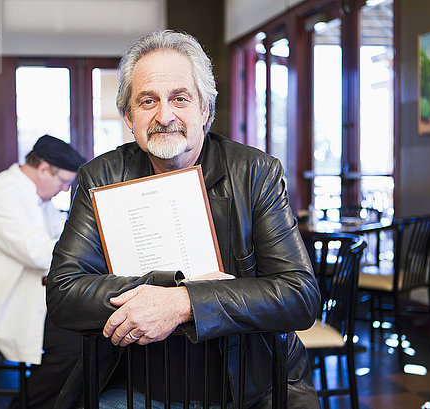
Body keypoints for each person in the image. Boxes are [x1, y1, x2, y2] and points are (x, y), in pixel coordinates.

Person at [46, 30, 321, 409]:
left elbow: (299, 296)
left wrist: (184, 302)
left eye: (180, 98)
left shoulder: (255, 172)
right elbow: (63, 293)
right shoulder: (101, 176)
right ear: (128, 116)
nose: (164, 115)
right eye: (147, 101)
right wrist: (163, 291)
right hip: (135, 382)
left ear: (204, 109)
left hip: (247, 385)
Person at [0, 134, 86, 409]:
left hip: (16, 291)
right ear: (43, 169)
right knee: (74, 343)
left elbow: (61, 239)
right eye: (63, 182)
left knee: (84, 331)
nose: (64, 190)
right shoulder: (3, 192)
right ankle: (26, 405)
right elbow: (39, 252)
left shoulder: (37, 198)